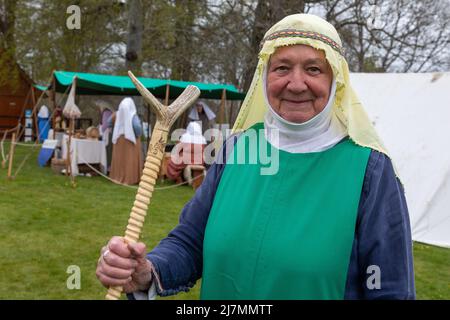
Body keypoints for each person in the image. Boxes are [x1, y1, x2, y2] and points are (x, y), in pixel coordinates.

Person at [96, 14, 415, 299]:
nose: (296, 83)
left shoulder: (369, 169)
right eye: (282, 68)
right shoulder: (238, 150)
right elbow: (191, 243)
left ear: (335, 81)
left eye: (314, 69)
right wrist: (146, 272)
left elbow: (390, 289)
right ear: (265, 78)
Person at [108, 97, 143, 185]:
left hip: (118, 139)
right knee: (130, 160)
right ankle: (131, 179)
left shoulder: (117, 114)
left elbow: (109, 122)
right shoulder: (133, 115)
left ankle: (116, 177)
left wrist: (113, 130)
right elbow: (137, 128)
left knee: (119, 160)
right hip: (131, 141)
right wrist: (138, 135)